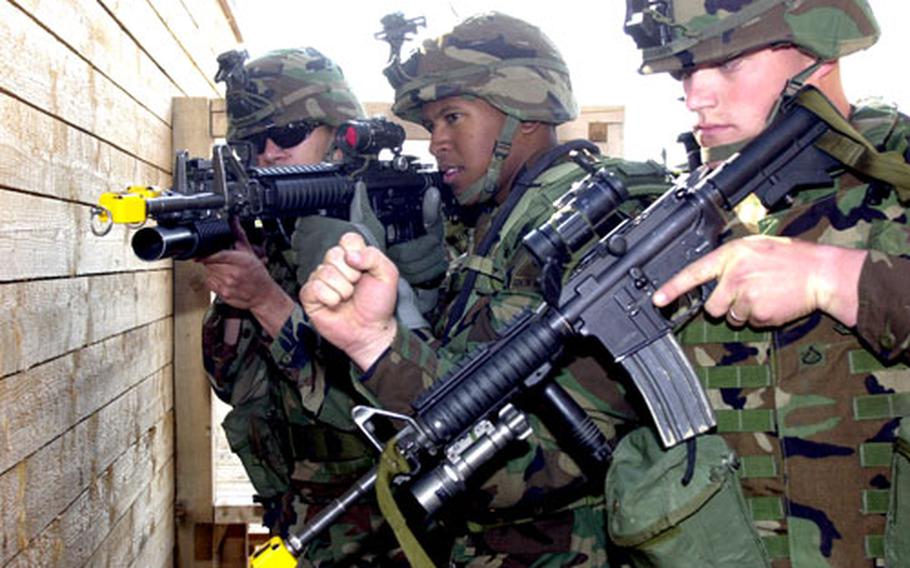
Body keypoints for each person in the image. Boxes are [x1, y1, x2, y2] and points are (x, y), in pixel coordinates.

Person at [299, 12, 671, 566]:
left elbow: (520, 466)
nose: (438, 144)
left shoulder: (586, 221)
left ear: (524, 113)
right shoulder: (503, 215)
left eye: (453, 118)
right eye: (432, 126)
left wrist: (378, 346)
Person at [610, 1, 910, 566]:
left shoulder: (900, 170)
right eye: (684, 72)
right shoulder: (672, 229)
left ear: (818, 48)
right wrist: (388, 348)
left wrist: (834, 276)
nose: (696, 95)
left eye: (728, 62)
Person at [200, 47, 446, 566]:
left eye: (288, 133)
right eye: (252, 141)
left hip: (387, 521)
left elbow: (392, 404)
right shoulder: (279, 233)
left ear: (339, 132)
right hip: (300, 513)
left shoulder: (404, 225)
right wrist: (240, 292)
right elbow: (234, 384)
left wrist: (268, 302)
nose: (270, 152)